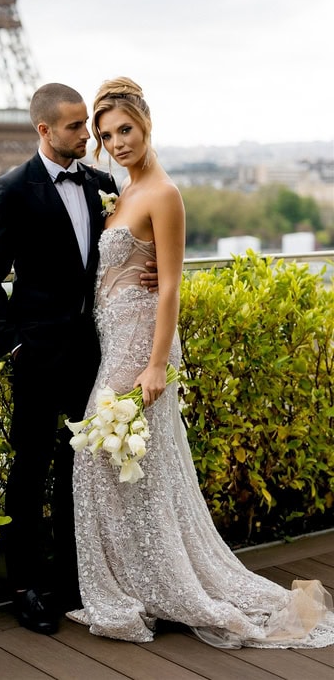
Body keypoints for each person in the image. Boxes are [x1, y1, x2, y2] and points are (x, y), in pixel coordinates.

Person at [68, 75, 334, 648]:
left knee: (106, 462)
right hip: (114, 342)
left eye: (125, 131)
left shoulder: (163, 194)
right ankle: (143, 585)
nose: (117, 143)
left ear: (146, 125)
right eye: (106, 135)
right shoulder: (121, 191)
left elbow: (170, 289)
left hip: (141, 345)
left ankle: (159, 586)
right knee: (126, 469)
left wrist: (157, 362)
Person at [0, 82, 158, 635]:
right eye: (78, 127)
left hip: (94, 353)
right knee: (28, 469)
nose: (89, 136)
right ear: (44, 130)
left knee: (84, 467)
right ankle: (25, 587)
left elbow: (132, 247)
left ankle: (75, 578)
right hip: (36, 355)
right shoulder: (9, 190)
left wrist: (149, 274)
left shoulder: (103, 184)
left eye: (90, 126)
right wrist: (14, 342)